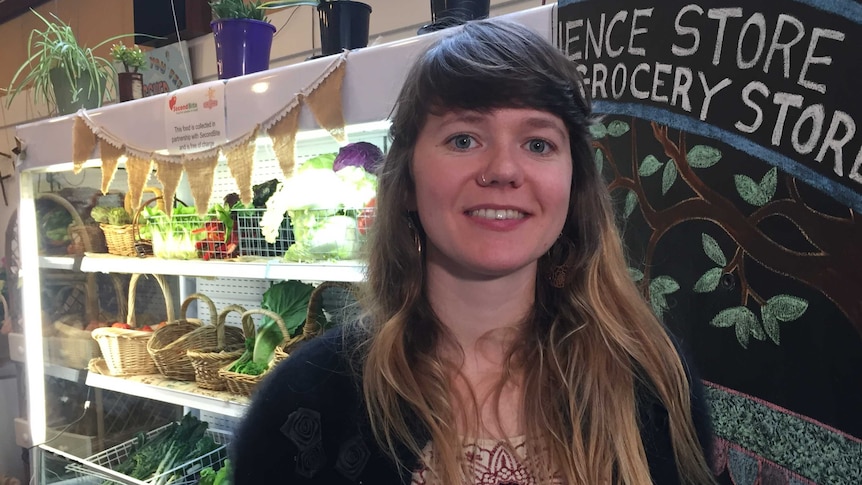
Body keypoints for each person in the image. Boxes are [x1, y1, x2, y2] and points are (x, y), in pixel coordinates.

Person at [231, 18, 715, 485]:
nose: (504, 169)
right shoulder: (304, 406)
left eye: (539, 143)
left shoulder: (653, 378)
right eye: (464, 139)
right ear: (406, 184)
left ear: (574, 183)